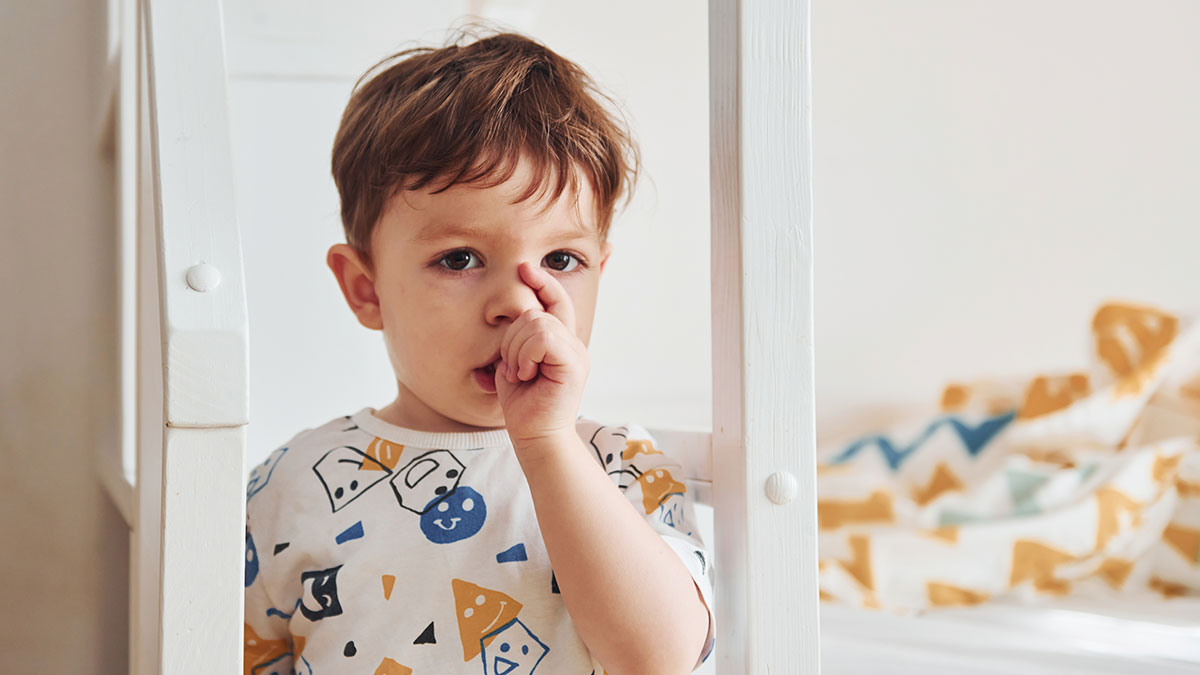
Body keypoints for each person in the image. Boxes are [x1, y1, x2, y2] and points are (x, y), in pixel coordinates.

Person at [243, 29, 714, 674]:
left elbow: (657, 659)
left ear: (600, 270)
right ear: (366, 288)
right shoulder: (291, 485)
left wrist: (547, 443)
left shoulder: (620, 465)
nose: (520, 304)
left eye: (561, 259)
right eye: (460, 258)